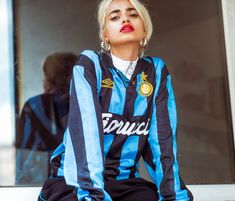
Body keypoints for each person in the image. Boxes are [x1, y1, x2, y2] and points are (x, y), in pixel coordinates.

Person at [38, 0, 193, 200]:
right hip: (74, 183)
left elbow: (162, 142)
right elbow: (87, 136)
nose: (125, 19)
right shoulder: (90, 65)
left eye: (133, 14)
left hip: (125, 183)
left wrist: (173, 195)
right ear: (105, 35)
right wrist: (94, 195)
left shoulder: (156, 71)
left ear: (144, 29)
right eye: (115, 16)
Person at [15, 52, 77, 185]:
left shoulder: (34, 107)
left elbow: (24, 158)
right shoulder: (92, 103)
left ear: (49, 80)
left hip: (46, 187)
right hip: (84, 188)